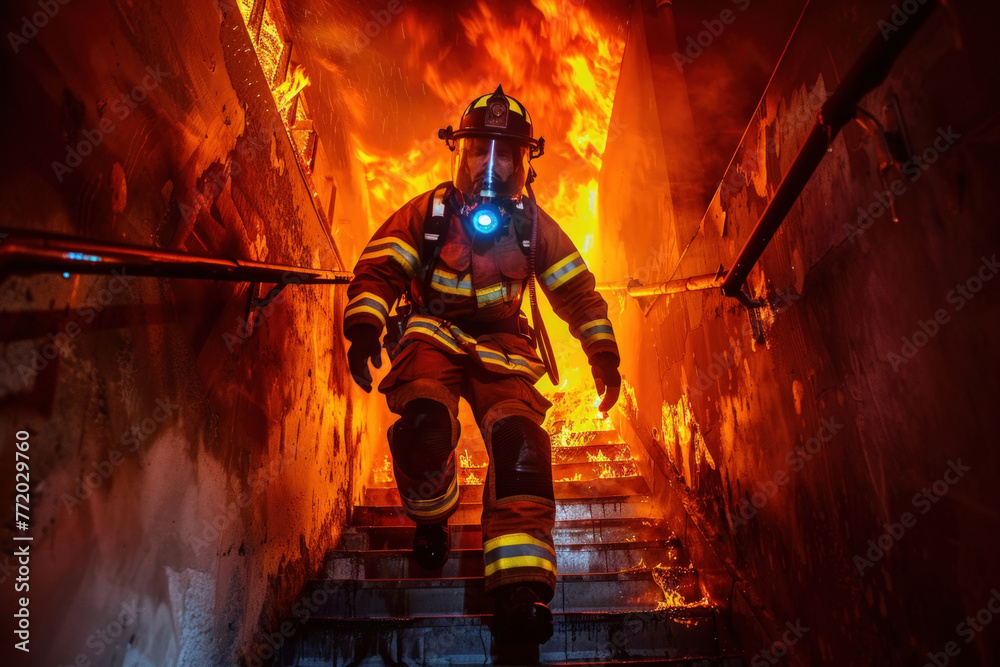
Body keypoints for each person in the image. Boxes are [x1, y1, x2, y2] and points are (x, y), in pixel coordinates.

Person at [342, 85, 621, 646]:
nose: (489, 166)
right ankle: (432, 519)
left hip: (503, 348)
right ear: (459, 154)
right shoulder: (431, 212)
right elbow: (380, 267)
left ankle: (519, 588)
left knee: (522, 449)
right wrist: (365, 324)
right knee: (424, 427)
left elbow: (578, 293)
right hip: (430, 336)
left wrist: (602, 351)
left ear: (524, 164)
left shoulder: (531, 225)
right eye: (478, 151)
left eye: (505, 155)